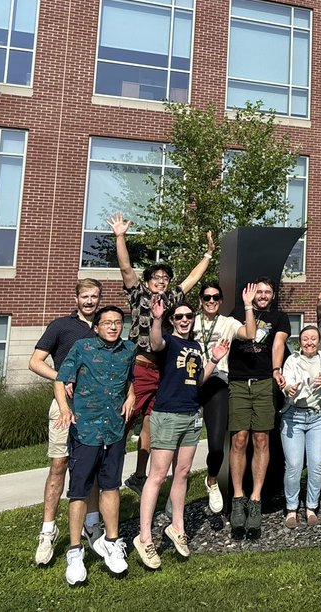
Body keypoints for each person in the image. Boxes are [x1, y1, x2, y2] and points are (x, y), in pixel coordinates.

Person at [108, 212, 214, 496]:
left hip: (164, 371)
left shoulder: (172, 300)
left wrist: (208, 254)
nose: (161, 281)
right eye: (156, 278)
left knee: (151, 422)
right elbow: (126, 268)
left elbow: (192, 279)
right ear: (147, 281)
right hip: (140, 366)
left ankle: (139, 475)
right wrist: (120, 237)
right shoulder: (138, 295)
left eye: (165, 278)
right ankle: (109, 471)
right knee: (126, 417)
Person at [133, 297, 228, 570]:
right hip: (168, 415)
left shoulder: (195, 346)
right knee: (158, 475)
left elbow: (197, 381)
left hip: (191, 415)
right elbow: (155, 343)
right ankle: (145, 537)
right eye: (179, 317)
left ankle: (177, 527)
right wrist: (157, 319)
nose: (184, 320)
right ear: (173, 320)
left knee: (183, 473)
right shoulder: (168, 341)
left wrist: (214, 359)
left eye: (188, 316)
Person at [52, 305, 136, 586]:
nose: (113, 327)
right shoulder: (82, 348)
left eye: (118, 322)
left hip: (114, 431)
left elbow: (131, 380)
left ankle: (112, 542)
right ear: (97, 327)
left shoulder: (128, 350)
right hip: (85, 430)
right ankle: (75, 552)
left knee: (111, 486)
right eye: (107, 322)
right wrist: (65, 408)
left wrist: (132, 396)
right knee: (79, 491)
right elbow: (61, 380)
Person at [29, 278, 103, 566]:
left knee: (91, 466)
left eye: (94, 296)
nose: (90, 301)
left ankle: (92, 524)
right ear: (76, 299)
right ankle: (48, 530)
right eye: (85, 296)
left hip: (95, 408)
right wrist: (62, 377)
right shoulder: (60, 326)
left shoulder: (105, 326)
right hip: (64, 405)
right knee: (59, 464)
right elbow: (35, 362)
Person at [226, 279, 290, 540]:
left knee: (261, 439)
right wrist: (247, 307)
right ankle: (238, 498)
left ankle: (255, 498)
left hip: (263, 381)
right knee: (239, 439)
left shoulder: (280, 317)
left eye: (267, 292)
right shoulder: (236, 313)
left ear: (273, 295)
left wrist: (276, 369)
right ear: (251, 294)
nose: (263, 295)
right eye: (259, 291)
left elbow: (278, 344)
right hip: (239, 382)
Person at [193, 281, 255, 514]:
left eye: (215, 297)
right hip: (190, 382)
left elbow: (250, 334)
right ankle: (174, 495)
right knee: (179, 446)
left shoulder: (227, 323)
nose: (211, 301)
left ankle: (211, 480)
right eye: (207, 297)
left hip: (217, 382)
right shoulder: (191, 321)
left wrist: (248, 305)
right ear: (200, 300)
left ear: (220, 300)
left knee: (217, 445)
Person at [279, 325, 321, 528]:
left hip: (318, 417)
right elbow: (286, 385)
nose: (309, 342)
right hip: (293, 417)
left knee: (316, 463)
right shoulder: (292, 360)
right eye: (305, 339)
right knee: (294, 465)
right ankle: (291, 508)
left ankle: (311, 507)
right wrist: (289, 389)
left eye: (313, 339)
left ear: (319, 342)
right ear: (300, 342)